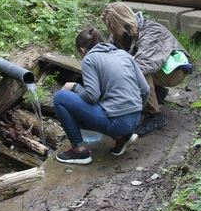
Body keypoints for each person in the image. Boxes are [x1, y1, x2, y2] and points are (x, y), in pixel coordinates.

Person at [52, 26, 148, 165]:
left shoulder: (89, 59)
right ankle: (122, 138)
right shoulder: (123, 54)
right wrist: (134, 113)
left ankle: (79, 151)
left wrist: (74, 86)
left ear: (82, 50)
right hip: (134, 120)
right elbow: (145, 88)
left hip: (117, 123)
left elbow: (92, 96)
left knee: (60, 98)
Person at [101, 2, 192, 136]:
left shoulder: (151, 31)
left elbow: (143, 65)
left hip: (175, 71)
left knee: (138, 72)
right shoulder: (119, 34)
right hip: (157, 68)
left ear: (120, 22)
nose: (110, 31)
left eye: (111, 26)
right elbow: (110, 56)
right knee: (129, 67)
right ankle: (157, 93)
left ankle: (155, 116)